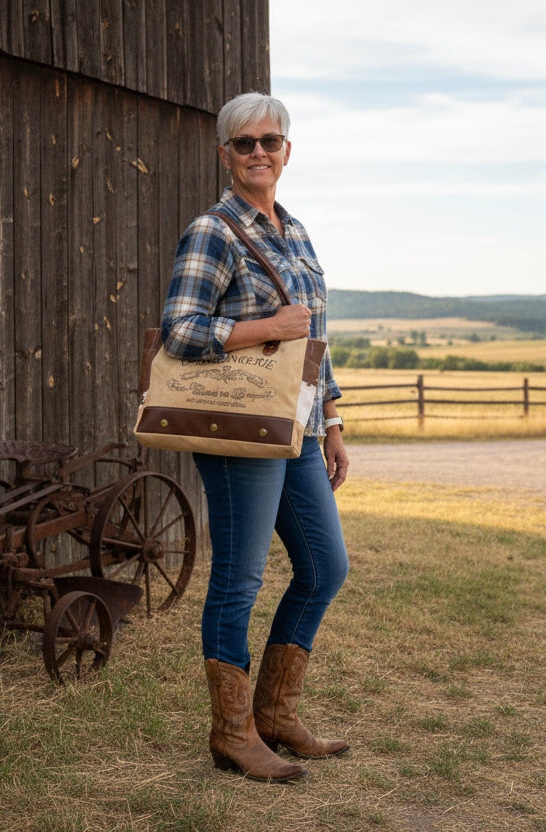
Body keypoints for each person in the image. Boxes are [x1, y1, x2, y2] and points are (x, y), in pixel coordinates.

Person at [160, 92, 350, 783]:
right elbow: (180, 330)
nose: (259, 152)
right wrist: (265, 329)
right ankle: (232, 733)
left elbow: (316, 337)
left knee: (326, 568)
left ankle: (274, 712)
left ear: (287, 152)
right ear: (226, 154)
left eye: (271, 141)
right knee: (238, 581)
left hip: (297, 427)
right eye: (245, 143)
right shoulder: (212, 230)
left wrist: (330, 420)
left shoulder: (295, 231)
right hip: (240, 431)